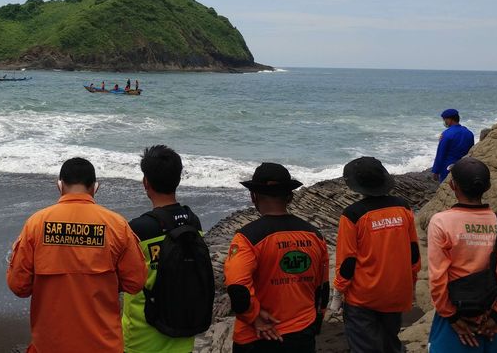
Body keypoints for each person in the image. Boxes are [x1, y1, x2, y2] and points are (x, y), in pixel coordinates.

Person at [7, 157, 147, 352]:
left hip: (50, 345)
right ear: (95, 188)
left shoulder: (36, 224)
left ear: (59, 185)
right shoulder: (116, 225)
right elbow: (135, 282)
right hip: (103, 346)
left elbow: (18, 286)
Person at [224, 163, 329, 353]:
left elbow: (237, 288)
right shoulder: (315, 236)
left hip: (257, 337)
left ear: (253, 196)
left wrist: (254, 316)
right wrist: (316, 323)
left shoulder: (247, 238)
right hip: (303, 333)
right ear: (289, 196)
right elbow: (323, 289)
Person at [122, 145, 209, 353]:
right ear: (178, 180)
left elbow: (125, 280)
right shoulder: (193, 222)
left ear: (146, 183)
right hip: (182, 333)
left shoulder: (138, 229)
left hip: (141, 338)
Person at [332, 156, 421, 353]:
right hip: (397, 292)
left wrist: (338, 292)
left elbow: (347, 262)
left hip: (364, 297)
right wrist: (411, 282)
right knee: (390, 341)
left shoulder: (352, 214)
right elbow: (413, 252)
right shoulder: (403, 207)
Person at [427, 157, 497, 352]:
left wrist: (452, 317)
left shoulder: (442, 223)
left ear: (452, 185)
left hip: (457, 322)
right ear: (488, 186)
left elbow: (437, 279)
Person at [432, 109, 475, 182]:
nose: (444, 122)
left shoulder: (446, 134)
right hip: (465, 166)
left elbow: (440, 154)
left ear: (450, 120)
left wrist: (435, 171)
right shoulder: (469, 133)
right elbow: (471, 151)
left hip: (448, 168)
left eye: (444, 119)